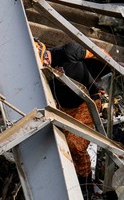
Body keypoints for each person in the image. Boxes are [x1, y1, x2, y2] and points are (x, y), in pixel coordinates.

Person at [35, 40, 105, 199]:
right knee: (58, 142)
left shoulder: (68, 51)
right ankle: (69, 178)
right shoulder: (42, 71)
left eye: (44, 63)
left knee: (75, 144)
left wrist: (114, 67)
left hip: (86, 103)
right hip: (65, 108)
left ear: (45, 56)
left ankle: (86, 184)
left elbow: (96, 52)